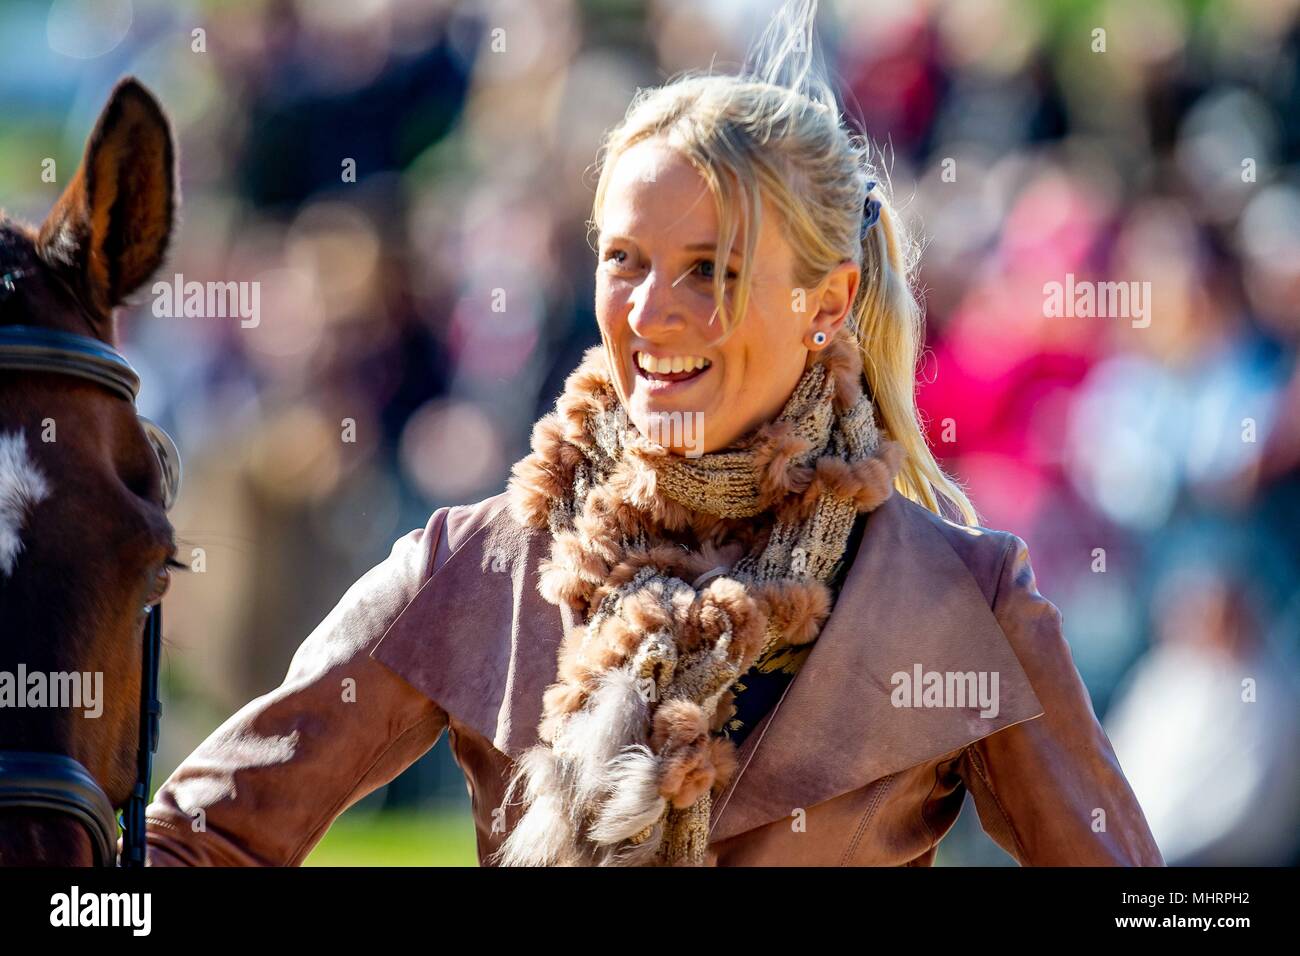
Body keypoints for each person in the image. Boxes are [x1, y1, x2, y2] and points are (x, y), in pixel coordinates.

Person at [143, 0, 1163, 867]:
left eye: (710, 269)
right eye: (623, 259)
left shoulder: (954, 590)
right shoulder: (479, 562)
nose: (649, 311)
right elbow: (192, 844)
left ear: (826, 301)